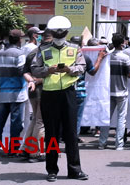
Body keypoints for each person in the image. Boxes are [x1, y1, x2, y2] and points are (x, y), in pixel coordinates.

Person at [31, 16, 89, 182]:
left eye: (61, 32)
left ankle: (75, 170)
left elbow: (82, 67)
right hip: (49, 93)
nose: (59, 35)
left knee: (71, 132)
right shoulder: (43, 49)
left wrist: (71, 69)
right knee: (52, 134)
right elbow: (34, 69)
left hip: (69, 92)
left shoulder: (75, 48)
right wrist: (47, 71)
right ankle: (51, 170)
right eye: (56, 32)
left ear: (66, 32)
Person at [0, 29, 28, 156]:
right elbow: (21, 70)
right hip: (17, 93)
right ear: (18, 40)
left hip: (3, 92)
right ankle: (13, 149)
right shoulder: (20, 53)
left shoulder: (0, 53)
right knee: (16, 122)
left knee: (0, 121)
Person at [98, 33, 130, 151]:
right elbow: (129, 74)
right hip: (122, 92)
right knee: (121, 118)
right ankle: (119, 144)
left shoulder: (107, 56)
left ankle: (102, 143)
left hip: (108, 92)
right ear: (122, 43)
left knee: (106, 118)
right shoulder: (125, 58)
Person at [21, 28, 51, 163]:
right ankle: (35, 152)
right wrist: (37, 81)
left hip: (32, 90)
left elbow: (25, 72)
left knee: (35, 120)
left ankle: (26, 148)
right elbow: (52, 73)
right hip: (45, 90)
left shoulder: (33, 52)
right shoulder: (50, 53)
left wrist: (32, 81)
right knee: (40, 121)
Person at [70, 35, 106, 145]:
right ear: (82, 45)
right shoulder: (84, 57)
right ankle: (73, 141)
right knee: (76, 119)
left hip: (65, 91)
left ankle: (64, 138)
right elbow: (93, 71)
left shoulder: (64, 57)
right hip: (79, 92)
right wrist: (99, 58)